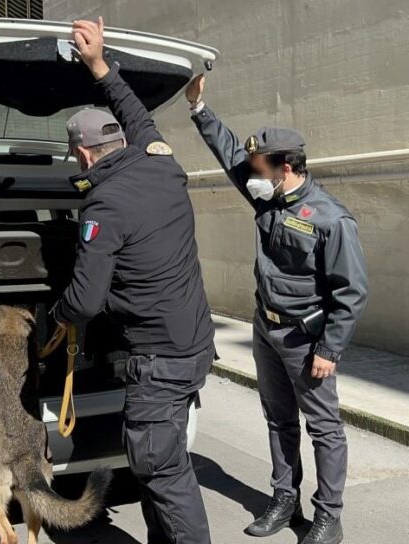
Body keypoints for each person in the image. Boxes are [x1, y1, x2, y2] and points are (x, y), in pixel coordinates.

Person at [186, 74, 368, 544]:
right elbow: (230, 157)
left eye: (259, 166)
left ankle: (328, 515)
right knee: (278, 419)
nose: (251, 173)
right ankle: (284, 498)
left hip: (307, 341)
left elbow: (351, 291)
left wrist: (330, 348)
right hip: (266, 331)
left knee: (323, 427)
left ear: (284, 166)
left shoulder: (331, 218)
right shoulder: (268, 197)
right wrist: (200, 109)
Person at [53, 19, 215, 544]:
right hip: (193, 347)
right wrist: (98, 63)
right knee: (162, 462)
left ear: (82, 155)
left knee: (164, 473)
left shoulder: (105, 204)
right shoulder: (158, 161)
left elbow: (85, 299)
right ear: (121, 140)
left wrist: (52, 320)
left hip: (160, 361)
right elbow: (134, 112)